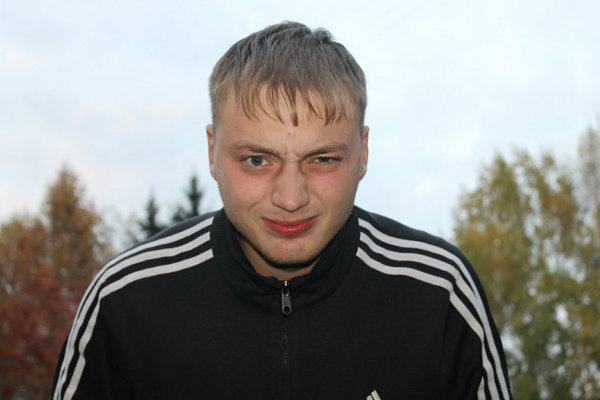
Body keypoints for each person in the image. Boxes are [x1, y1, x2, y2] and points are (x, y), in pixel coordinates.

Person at [52, 21, 512, 399]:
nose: (291, 198)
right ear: (212, 151)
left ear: (363, 152)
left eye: (323, 159)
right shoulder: (125, 301)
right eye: (257, 160)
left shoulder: (439, 294)